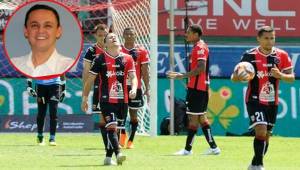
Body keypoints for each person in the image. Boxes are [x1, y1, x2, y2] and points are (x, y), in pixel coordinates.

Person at [231, 26, 295, 170]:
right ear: (258, 39)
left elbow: (291, 78)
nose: (269, 41)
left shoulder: (282, 55)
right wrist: (237, 76)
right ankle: (259, 165)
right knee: (260, 129)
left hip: (273, 102)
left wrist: (281, 75)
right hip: (254, 100)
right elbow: (234, 78)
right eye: (266, 38)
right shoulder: (249, 56)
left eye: (272, 38)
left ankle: (254, 163)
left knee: (266, 136)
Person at [81, 33, 138, 165]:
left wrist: (134, 88)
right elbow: (90, 80)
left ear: (119, 41)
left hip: (123, 100)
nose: (113, 38)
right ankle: (118, 154)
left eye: (115, 37)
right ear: (105, 44)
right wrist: (84, 98)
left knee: (117, 129)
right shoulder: (100, 59)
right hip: (106, 99)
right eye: (110, 37)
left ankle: (108, 157)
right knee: (111, 126)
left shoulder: (128, 58)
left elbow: (133, 77)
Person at [167, 24, 220, 156]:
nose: (186, 35)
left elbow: (201, 68)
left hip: (198, 89)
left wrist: (182, 75)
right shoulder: (199, 47)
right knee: (201, 118)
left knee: (193, 119)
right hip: (198, 88)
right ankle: (214, 148)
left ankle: (187, 150)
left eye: (189, 33)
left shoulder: (200, 48)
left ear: (196, 34)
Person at [11, 4, 74, 78]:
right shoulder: (13, 64)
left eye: (48, 26)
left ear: (58, 31)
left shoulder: (71, 66)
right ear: (26, 31)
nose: (40, 31)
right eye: (34, 25)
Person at [119, 27, 150, 149]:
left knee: (133, 115)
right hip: (120, 86)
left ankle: (131, 140)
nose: (129, 36)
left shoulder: (141, 51)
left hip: (135, 87)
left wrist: (147, 88)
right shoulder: (119, 50)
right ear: (123, 35)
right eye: (127, 34)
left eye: (131, 34)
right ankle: (122, 137)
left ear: (135, 36)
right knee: (121, 114)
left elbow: (145, 71)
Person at [82, 23, 108, 150]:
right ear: (95, 36)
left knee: (117, 116)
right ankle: (107, 145)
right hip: (100, 86)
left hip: (115, 86)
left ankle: (118, 141)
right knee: (102, 117)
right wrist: (84, 96)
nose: (102, 38)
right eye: (99, 35)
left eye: (104, 35)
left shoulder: (114, 49)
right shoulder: (91, 51)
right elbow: (86, 72)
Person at [27, 76, 66, 146]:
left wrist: (64, 89)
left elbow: (62, 71)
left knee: (53, 112)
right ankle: (40, 136)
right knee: (41, 112)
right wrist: (29, 86)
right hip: (40, 86)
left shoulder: (56, 64)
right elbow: (30, 70)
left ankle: (52, 138)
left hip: (55, 86)